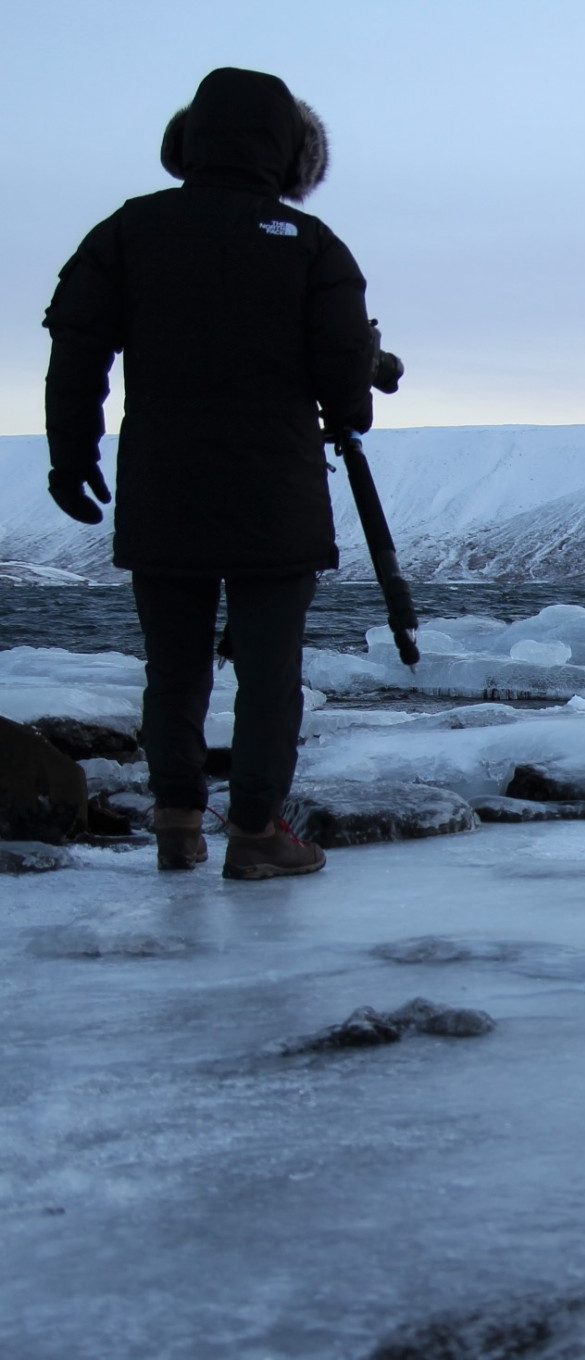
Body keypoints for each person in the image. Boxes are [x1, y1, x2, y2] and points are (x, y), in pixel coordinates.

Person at [43, 66, 381, 880]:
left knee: (176, 666)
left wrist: (71, 455)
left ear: (188, 139)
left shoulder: (126, 232)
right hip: (278, 493)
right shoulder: (310, 245)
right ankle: (259, 833)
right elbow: (346, 392)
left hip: (164, 485)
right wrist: (359, 379)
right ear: (292, 154)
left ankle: (176, 825)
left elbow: (76, 348)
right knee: (271, 672)